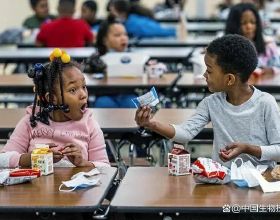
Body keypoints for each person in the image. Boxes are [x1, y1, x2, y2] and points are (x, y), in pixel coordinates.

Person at [135, 34, 280, 168]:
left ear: (229, 79)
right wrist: (150, 124)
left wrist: (248, 148)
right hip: (222, 179)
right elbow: (185, 133)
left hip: (260, 182)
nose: (204, 75)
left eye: (209, 71)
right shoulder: (211, 103)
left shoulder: (265, 103)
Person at [0, 48, 109, 168]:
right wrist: (31, 158)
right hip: (37, 187)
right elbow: (3, 159)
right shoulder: (31, 122)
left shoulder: (90, 125)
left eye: (84, 86)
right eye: (73, 90)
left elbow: (105, 167)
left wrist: (83, 163)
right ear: (51, 98)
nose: (83, 94)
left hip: (77, 187)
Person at [85, 17, 136, 108]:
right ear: (104, 40)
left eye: (125, 34)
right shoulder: (96, 58)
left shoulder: (133, 57)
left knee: (132, 103)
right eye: (117, 35)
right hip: (104, 94)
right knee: (104, 104)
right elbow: (88, 79)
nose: (123, 38)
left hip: (127, 94)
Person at [225, 3, 280, 76]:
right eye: (243, 23)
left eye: (253, 22)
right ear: (233, 25)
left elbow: (278, 67)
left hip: (266, 86)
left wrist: (272, 70)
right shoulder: (225, 48)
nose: (249, 27)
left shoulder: (268, 45)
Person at [108, 0, 176, 38]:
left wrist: (176, 31)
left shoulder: (135, 24)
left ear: (121, 12)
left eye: (113, 11)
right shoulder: (126, 22)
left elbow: (160, 31)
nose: (110, 13)